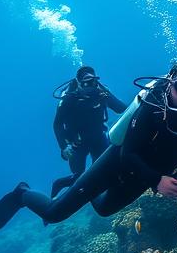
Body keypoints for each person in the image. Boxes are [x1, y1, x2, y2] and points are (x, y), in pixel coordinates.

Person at [0, 59, 177, 232]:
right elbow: (128, 153)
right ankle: (22, 193)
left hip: (146, 174)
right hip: (119, 162)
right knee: (55, 213)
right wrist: (157, 181)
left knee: (104, 209)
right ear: (170, 86)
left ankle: (77, 179)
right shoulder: (152, 110)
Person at [50, 65, 128, 197]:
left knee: (104, 171)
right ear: (78, 84)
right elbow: (57, 124)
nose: (89, 87)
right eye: (85, 83)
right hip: (77, 143)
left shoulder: (102, 93)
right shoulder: (69, 99)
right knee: (79, 180)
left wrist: (109, 94)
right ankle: (59, 183)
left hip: (98, 138)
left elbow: (122, 109)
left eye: (92, 82)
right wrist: (63, 147)